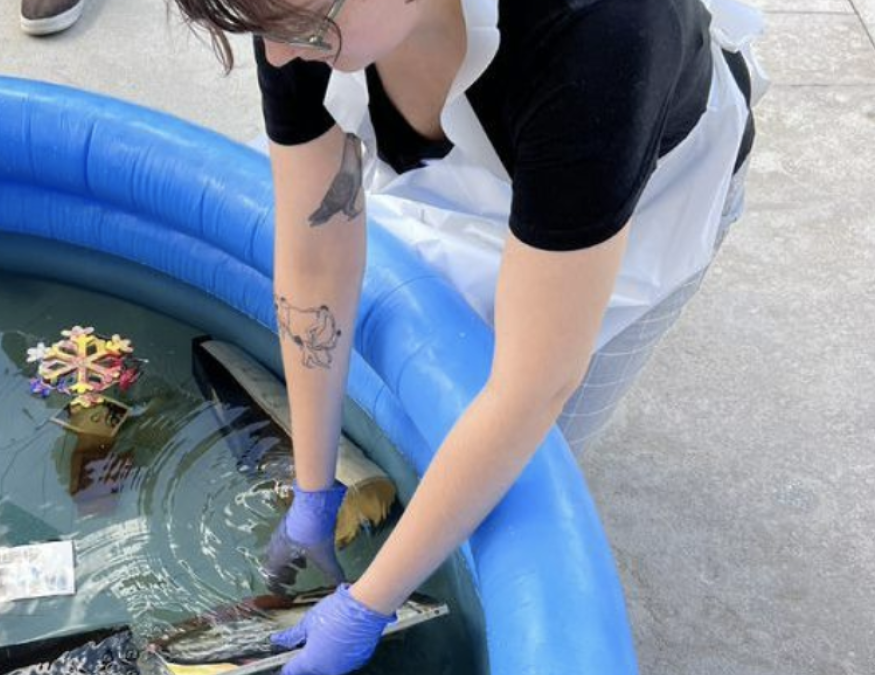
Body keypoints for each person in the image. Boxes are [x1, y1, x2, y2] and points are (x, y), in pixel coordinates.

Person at [170, 0, 766, 673]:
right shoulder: (295, 9)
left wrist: (370, 601)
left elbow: (532, 386)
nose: (279, 58)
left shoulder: (603, 32)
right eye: (263, 33)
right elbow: (314, 260)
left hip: (646, 194)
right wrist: (314, 486)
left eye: (304, 32)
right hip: (512, 122)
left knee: (547, 437)